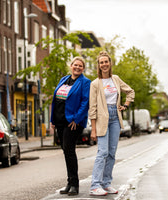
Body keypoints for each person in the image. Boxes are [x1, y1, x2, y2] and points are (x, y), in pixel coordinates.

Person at [88, 51, 135, 196]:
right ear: (99, 65)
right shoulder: (95, 83)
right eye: (101, 62)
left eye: (106, 62)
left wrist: (125, 105)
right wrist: (93, 129)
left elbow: (130, 92)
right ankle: (95, 185)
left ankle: (106, 183)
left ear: (110, 63)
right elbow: (93, 107)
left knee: (111, 153)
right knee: (102, 152)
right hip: (102, 119)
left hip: (115, 118)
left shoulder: (116, 79)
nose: (104, 64)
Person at [50, 57, 91, 196]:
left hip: (73, 122)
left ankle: (74, 184)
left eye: (80, 66)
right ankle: (69, 183)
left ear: (83, 68)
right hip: (60, 120)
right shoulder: (64, 79)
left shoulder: (85, 82)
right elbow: (55, 100)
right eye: (75, 65)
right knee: (66, 151)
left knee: (69, 150)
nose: (77, 67)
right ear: (71, 66)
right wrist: (52, 119)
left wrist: (77, 119)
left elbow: (85, 102)